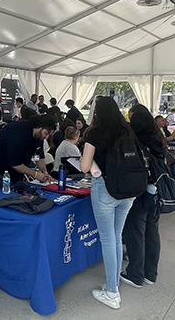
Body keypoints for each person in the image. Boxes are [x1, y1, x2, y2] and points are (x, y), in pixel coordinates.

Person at [80, 96, 137, 310]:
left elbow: (85, 166)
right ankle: (113, 283)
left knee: (108, 239)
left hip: (105, 189)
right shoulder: (127, 130)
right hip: (128, 190)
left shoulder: (96, 132)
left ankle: (112, 292)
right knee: (116, 236)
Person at [121, 105, 165, 289]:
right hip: (157, 193)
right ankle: (150, 273)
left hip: (140, 193)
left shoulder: (135, 144)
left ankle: (135, 274)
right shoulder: (158, 142)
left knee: (136, 231)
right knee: (152, 231)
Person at [0, 114, 55, 185]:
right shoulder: (18, 133)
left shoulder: (39, 136)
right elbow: (15, 163)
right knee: (7, 191)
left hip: (17, 168)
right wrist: (35, 174)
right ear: (39, 127)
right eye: (46, 133)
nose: (46, 137)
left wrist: (45, 173)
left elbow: (39, 156)